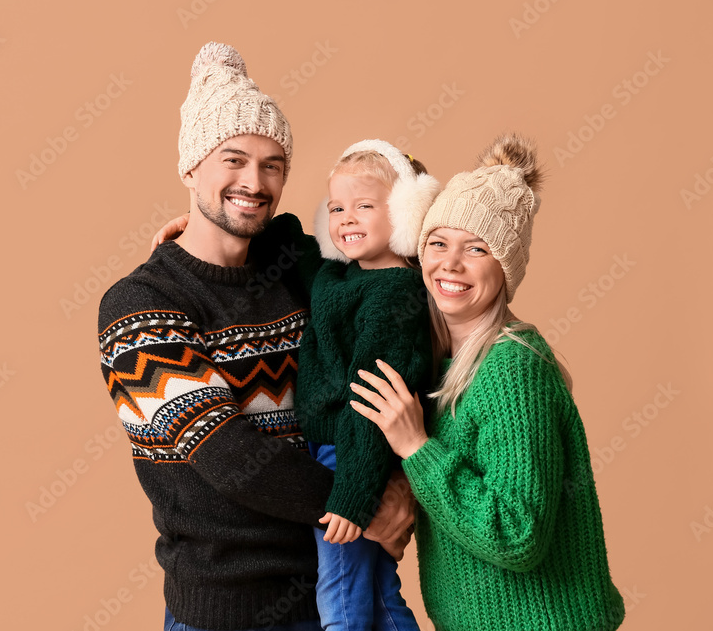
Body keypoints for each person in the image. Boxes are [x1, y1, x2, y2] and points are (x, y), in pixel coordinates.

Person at [97, 41, 413, 631]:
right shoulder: (141, 304)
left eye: (273, 165)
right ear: (191, 167)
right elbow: (230, 456)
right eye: (234, 160)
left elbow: (396, 276)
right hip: (225, 609)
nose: (255, 181)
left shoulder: (297, 274)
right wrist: (367, 500)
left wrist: (398, 480)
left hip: (334, 590)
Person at [350, 135, 626, 630]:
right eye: (438, 243)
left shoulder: (511, 368)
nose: (450, 263)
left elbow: (518, 534)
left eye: (476, 248)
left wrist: (416, 448)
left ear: (505, 268)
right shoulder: (440, 362)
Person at [294, 140, 440, 630]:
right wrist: (195, 226)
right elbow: (292, 244)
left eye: (364, 206)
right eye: (336, 208)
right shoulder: (341, 275)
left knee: (340, 597)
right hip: (337, 450)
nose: (346, 219)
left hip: (352, 454)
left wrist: (354, 495)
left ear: (405, 213)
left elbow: (370, 397)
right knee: (377, 593)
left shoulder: (395, 294)